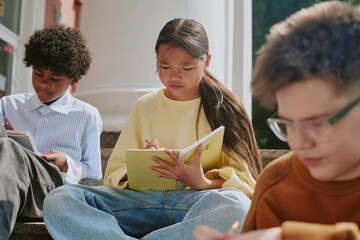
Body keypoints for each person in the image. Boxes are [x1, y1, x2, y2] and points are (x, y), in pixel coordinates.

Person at [43, 18, 263, 239]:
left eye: (186, 68)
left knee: (237, 207)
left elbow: (245, 186)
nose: (174, 76)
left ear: (207, 62)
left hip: (195, 206)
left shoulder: (225, 108)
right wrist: (139, 166)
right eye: (164, 66)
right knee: (60, 199)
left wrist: (204, 182)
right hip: (139, 203)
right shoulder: (145, 105)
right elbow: (113, 175)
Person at [194, 1, 360, 240]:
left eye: (317, 123)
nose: (299, 143)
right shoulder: (276, 184)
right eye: (287, 124)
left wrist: (283, 236)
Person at [0, 24, 102, 239]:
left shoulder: (86, 116)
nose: (43, 84)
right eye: (38, 74)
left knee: (8, 148)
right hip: (11, 186)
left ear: (74, 80)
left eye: (54, 79)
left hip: (53, 191)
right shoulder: (7, 106)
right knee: (7, 149)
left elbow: (93, 174)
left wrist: (67, 162)